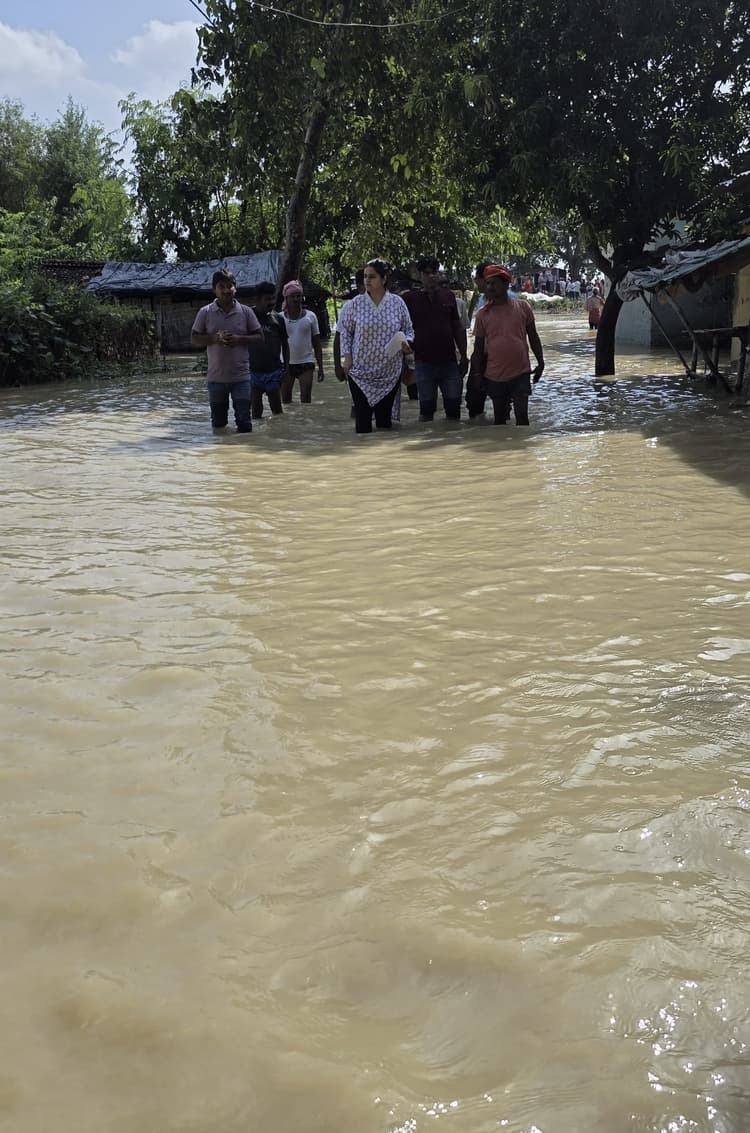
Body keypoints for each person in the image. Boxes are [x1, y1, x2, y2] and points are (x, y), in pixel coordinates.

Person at [338, 259, 414, 434]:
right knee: (362, 425)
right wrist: (347, 359)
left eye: (372, 277)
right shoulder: (354, 304)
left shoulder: (397, 303)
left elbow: (409, 329)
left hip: (389, 373)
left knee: (384, 425)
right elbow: (345, 333)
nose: (367, 281)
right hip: (360, 373)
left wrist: (407, 343)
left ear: (384, 279)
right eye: (365, 276)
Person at [467, 264, 545, 426]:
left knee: (522, 418)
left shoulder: (523, 307)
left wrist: (541, 362)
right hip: (495, 375)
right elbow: (478, 349)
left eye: (493, 283)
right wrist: (477, 375)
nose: (489, 287)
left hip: (521, 372)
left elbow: (534, 337)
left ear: (506, 284)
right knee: (500, 422)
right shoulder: (482, 314)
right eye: (487, 283)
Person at [191, 269, 263, 433]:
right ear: (214, 290)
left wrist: (239, 339)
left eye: (229, 286)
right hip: (216, 379)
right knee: (218, 425)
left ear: (235, 288)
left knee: (245, 425)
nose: (226, 290)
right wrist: (215, 338)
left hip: (242, 378)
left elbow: (260, 337)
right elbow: (194, 339)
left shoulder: (246, 312)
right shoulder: (205, 312)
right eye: (221, 286)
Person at [403, 256, 468, 422]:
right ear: (420, 275)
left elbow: (458, 329)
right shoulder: (409, 299)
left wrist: (464, 356)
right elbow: (401, 331)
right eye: (427, 273)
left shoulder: (448, 297)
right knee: (426, 411)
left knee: (454, 410)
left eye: (435, 272)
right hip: (423, 363)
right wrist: (404, 360)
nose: (432, 276)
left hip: (449, 362)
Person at [279, 280, 325, 403]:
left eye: (298, 296)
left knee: (306, 400)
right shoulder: (279, 318)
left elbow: (317, 344)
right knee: (286, 401)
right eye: (292, 296)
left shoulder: (311, 316)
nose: (295, 299)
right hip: (285, 364)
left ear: (302, 297)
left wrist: (321, 367)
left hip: (306, 363)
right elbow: (274, 344)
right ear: (286, 298)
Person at [249, 280, 289, 419]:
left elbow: (285, 344)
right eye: (267, 299)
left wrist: (286, 368)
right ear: (257, 299)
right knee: (256, 412)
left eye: (273, 298)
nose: (271, 302)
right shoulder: (248, 316)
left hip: (274, 371)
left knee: (277, 411)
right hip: (253, 371)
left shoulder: (278, 318)